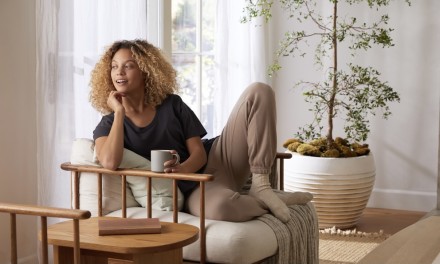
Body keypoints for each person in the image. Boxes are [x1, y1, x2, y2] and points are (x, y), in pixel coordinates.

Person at [90, 39, 312, 223]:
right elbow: (109, 162)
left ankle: (262, 185)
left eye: (128, 65)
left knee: (259, 91)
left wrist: (182, 168)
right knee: (223, 209)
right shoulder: (108, 124)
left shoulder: (172, 104)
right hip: (194, 191)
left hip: (218, 160)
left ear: (146, 71)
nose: (119, 72)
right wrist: (119, 113)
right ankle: (270, 200)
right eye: (114, 66)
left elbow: (199, 153)